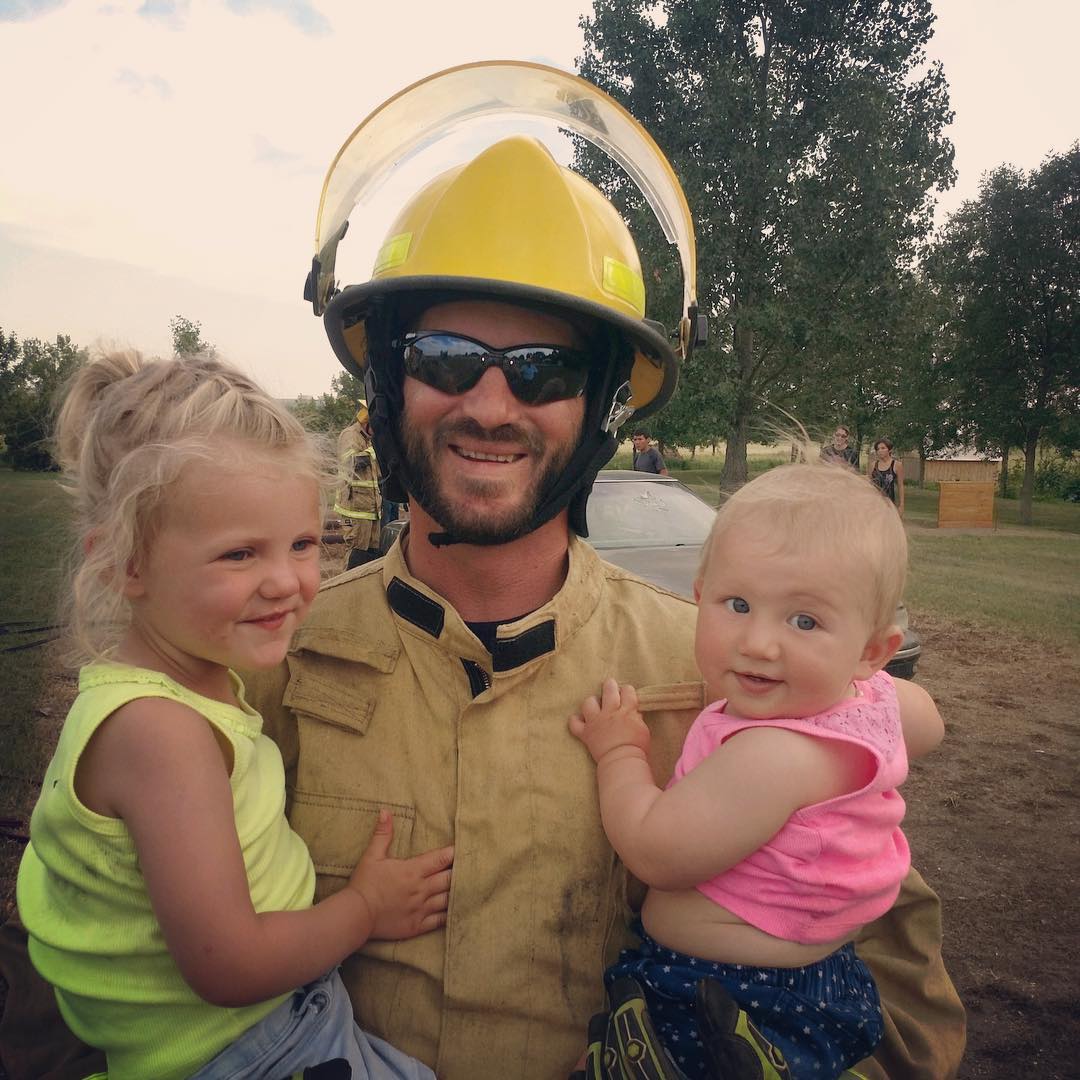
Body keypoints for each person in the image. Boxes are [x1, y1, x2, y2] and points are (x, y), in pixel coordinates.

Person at [1, 65, 965, 1080]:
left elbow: (895, 1000)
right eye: (445, 358)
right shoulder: (249, 660)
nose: (492, 406)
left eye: (545, 370)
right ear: (388, 381)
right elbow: (83, 967)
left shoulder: (724, 672)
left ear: (604, 405)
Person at [15, 350, 453, 1080]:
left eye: (302, 545)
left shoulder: (189, 689)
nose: (286, 581)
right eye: (240, 554)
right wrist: (365, 909)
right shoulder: (160, 734)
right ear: (126, 565)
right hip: (253, 1048)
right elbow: (229, 965)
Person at [570, 463, 943, 1078]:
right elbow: (929, 724)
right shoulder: (869, 699)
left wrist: (620, 753)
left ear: (872, 649)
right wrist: (862, 684)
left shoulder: (771, 755)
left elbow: (656, 851)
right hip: (828, 981)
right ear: (700, 597)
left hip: (725, 1003)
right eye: (738, 605)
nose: (758, 643)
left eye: (805, 621)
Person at [336, 399, 384, 570]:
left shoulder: (369, 439)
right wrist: (374, 451)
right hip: (355, 510)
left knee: (370, 556)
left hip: (371, 510)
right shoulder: (350, 436)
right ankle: (347, 586)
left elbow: (375, 474)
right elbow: (350, 463)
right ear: (367, 422)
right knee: (355, 555)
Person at [869, 438, 905, 514]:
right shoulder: (873, 465)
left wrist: (901, 505)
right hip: (874, 503)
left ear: (889, 450)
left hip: (889, 503)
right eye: (878, 449)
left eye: (883, 448)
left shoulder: (897, 465)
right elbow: (869, 484)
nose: (880, 451)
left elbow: (900, 486)